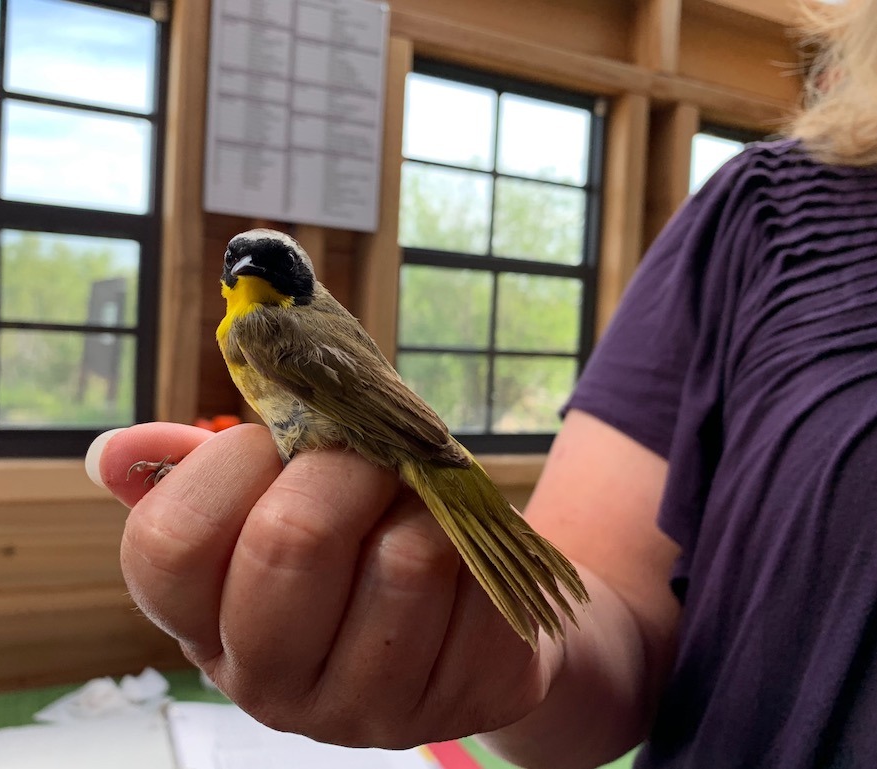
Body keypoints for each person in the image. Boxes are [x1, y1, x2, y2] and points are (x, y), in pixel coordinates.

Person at [84, 1, 877, 765]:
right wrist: (529, 655)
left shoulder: (260, 330)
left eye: (272, 267)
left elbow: (348, 410)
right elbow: (612, 642)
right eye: (241, 267)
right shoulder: (769, 209)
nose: (254, 276)